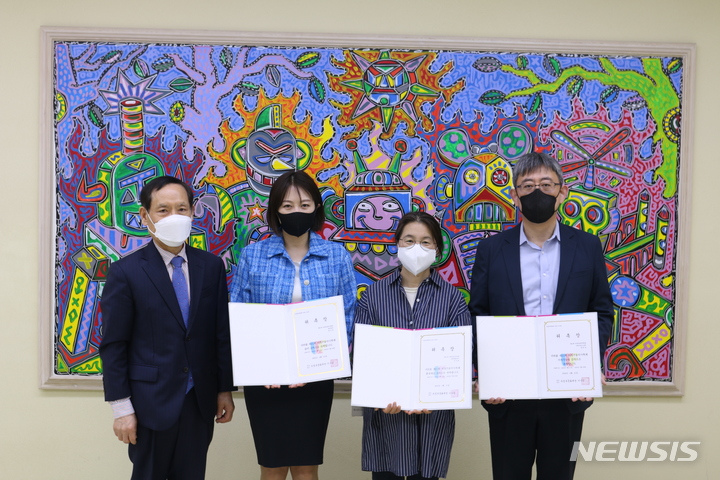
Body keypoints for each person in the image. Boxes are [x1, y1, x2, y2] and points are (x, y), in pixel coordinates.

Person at [468, 151, 614, 480]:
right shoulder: (491, 249)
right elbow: (479, 313)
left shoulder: (588, 246)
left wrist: (591, 365)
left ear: (562, 192)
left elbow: (602, 311)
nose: (538, 192)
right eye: (528, 185)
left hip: (566, 394)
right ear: (515, 194)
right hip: (508, 394)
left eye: (547, 184)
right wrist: (486, 372)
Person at [99, 175, 235, 480]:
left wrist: (224, 389)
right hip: (149, 403)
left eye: (182, 209)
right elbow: (114, 345)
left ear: (192, 212)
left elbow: (220, 334)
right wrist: (121, 408)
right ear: (145, 215)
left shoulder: (210, 266)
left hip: (199, 401)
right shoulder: (126, 272)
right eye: (163, 210)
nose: (174, 216)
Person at [229, 170, 357, 480]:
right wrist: (265, 367)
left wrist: (313, 368)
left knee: (305, 468)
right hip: (265, 381)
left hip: (315, 379)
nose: (296, 212)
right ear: (275, 211)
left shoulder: (336, 255)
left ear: (316, 208)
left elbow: (347, 317)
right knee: (271, 468)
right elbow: (240, 316)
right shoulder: (253, 255)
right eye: (286, 206)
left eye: (304, 204)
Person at [354, 211, 472, 480]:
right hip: (386, 416)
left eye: (426, 242)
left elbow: (463, 358)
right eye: (409, 240)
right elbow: (361, 356)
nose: (416, 248)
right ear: (397, 245)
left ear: (438, 249)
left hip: (432, 418)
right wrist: (376, 395)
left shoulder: (453, 299)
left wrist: (437, 396)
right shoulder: (373, 296)